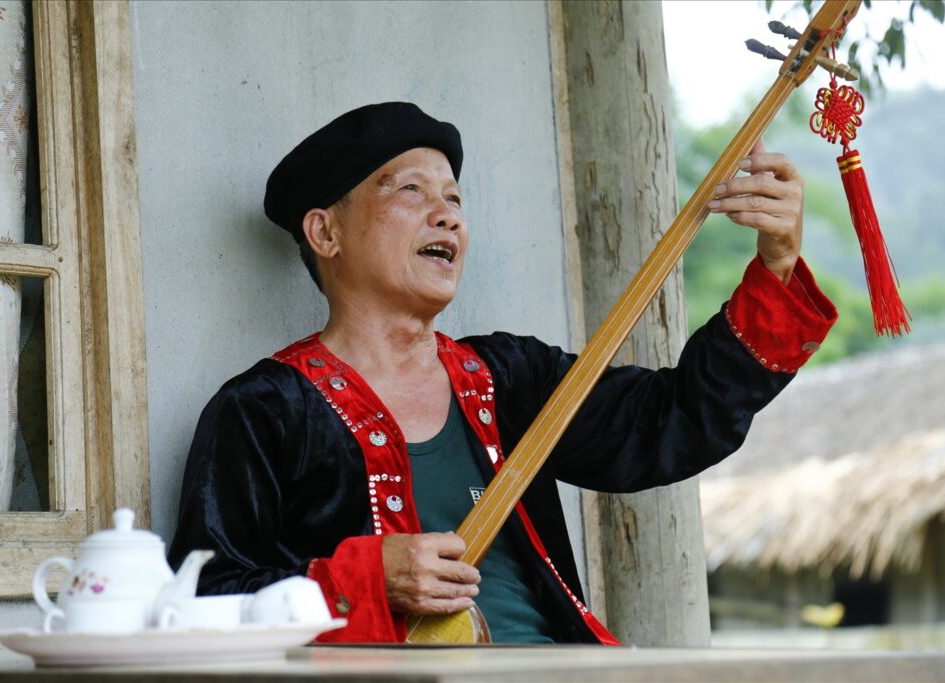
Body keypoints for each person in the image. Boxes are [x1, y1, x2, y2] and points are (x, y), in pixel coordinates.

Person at [167, 102, 836, 644]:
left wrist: (778, 264)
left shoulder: (511, 376)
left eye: (454, 197)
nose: (448, 213)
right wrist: (369, 578)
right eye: (410, 190)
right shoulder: (262, 410)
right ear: (325, 232)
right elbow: (200, 599)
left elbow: (675, 419)